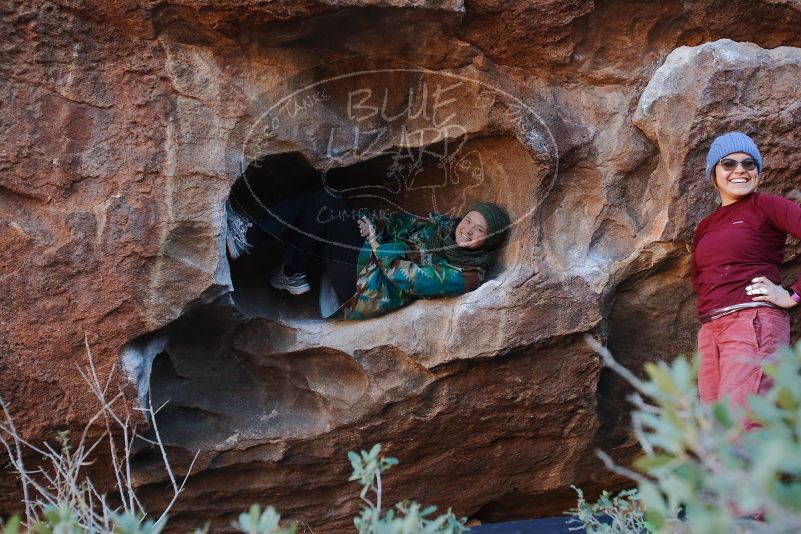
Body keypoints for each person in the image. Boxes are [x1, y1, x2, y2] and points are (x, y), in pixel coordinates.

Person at [226, 187, 510, 320]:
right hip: (365, 265)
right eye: (469, 221)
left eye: (479, 231)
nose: (468, 230)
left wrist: (376, 244)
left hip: (363, 292)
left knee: (325, 202)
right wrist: (367, 224)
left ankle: (253, 238)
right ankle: (290, 269)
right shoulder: (441, 227)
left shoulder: (467, 275)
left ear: (488, 240)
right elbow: (401, 223)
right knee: (324, 204)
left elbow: (409, 278)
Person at [691, 131, 801, 427]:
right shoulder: (706, 225)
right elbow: (699, 278)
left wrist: (792, 294)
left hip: (752, 323)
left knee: (743, 429)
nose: (740, 169)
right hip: (711, 331)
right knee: (715, 438)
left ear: (758, 172)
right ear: (713, 173)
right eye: (728, 163)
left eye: (749, 164)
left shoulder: (767, 205)